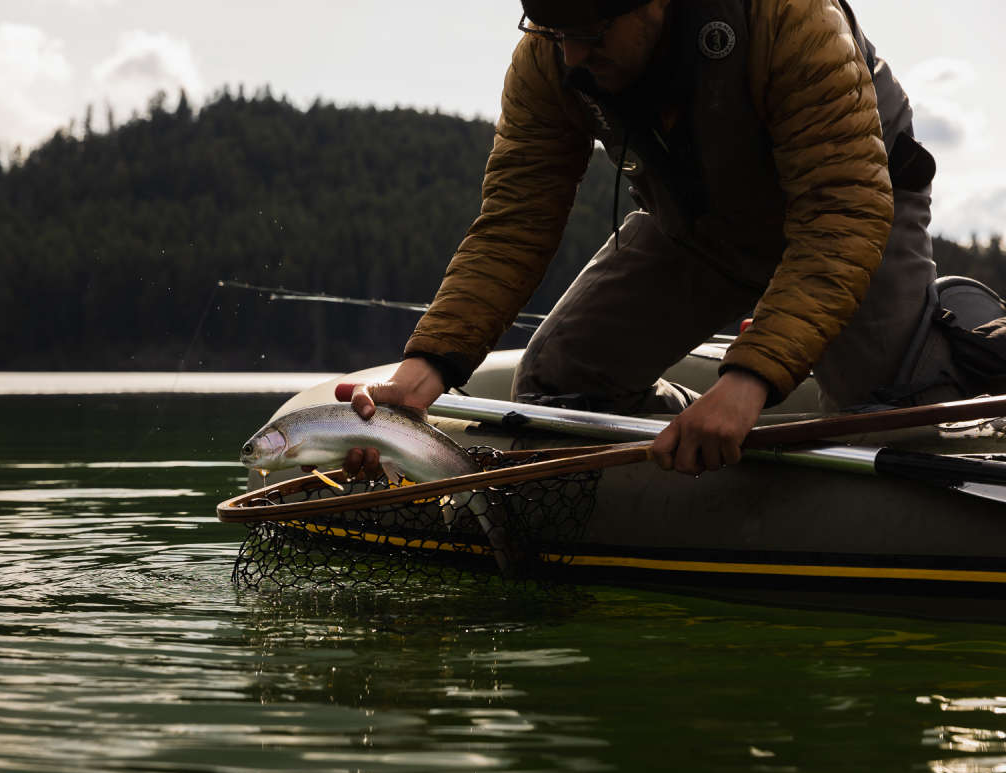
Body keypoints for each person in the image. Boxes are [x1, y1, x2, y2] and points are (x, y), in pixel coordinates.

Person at [347, 0, 964, 476]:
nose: (574, 56)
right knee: (559, 383)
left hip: (857, 212)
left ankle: (961, 354)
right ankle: (700, 448)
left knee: (886, 420)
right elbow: (515, 221)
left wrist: (750, 380)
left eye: (592, 30)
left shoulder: (788, 17)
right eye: (557, 33)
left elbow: (842, 211)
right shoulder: (552, 54)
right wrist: (428, 364)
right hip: (700, 229)